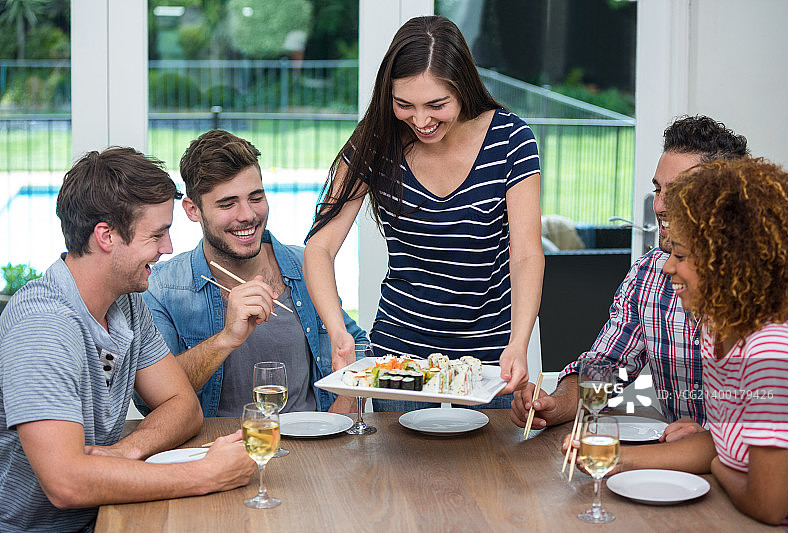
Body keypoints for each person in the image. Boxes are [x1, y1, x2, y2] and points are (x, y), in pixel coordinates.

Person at [0, 148, 253, 533]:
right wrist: (203, 474)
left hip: (103, 517)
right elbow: (66, 483)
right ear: (106, 236)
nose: (168, 248)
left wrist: (125, 450)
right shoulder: (43, 326)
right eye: (157, 234)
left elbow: (183, 405)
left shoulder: (128, 304)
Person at [303, 15, 543, 406]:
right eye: (404, 105)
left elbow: (528, 253)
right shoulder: (377, 139)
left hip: (486, 367)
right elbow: (319, 247)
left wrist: (519, 344)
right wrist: (336, 330)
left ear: (462, 88)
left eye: (436, 105)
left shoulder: (510, 139)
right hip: (397, 363)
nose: (421, 120)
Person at [511, 115, 749, 438]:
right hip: (678, 469)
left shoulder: (764, 289)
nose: (660, 204)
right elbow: (606, 367)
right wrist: (556, 405)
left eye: (677, 192)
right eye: (658, 189)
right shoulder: (649, 274)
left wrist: (709, 440)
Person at [596, 157, 788, 530]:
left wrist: (718, 467)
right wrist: (614, 457)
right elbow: (714, 443)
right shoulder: (718, 335)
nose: (666, 267)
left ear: (728, 263)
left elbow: (769, 505)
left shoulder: (771, 352)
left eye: (682, 256)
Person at [142, 129, 368, 417]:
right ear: (192, 210)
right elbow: (152, 396)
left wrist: (340, 412)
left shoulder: (305, 265)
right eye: (227, 203)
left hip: (310, 448)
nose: (247, 215)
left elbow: (355, 345)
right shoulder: (160, 288)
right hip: (212, 453)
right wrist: (226, 338)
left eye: (256, 197)